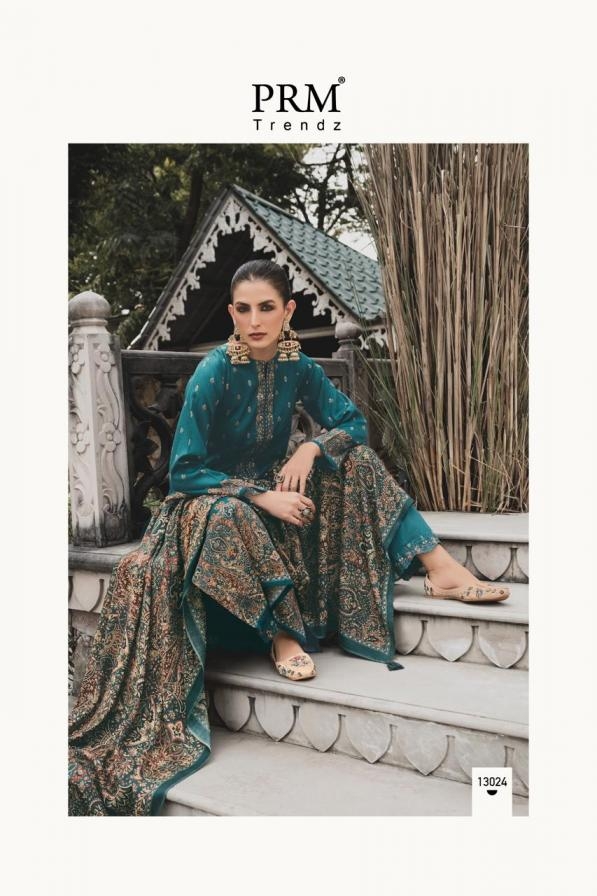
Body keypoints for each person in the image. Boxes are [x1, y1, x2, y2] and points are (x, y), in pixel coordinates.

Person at [68, 259, 509, 816]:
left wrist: (311, 448)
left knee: (356, 461)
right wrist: (259, 496)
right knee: (230, 514)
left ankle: (439, 567)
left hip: (271, 491)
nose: (255, 321)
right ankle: (281, 635)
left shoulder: (298, 366)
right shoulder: (213, 372)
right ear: (232, 314)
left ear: (288, 311)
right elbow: (184, 471)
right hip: (205, 505)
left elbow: (352, 424)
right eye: (243, 309)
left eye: (267, 308)